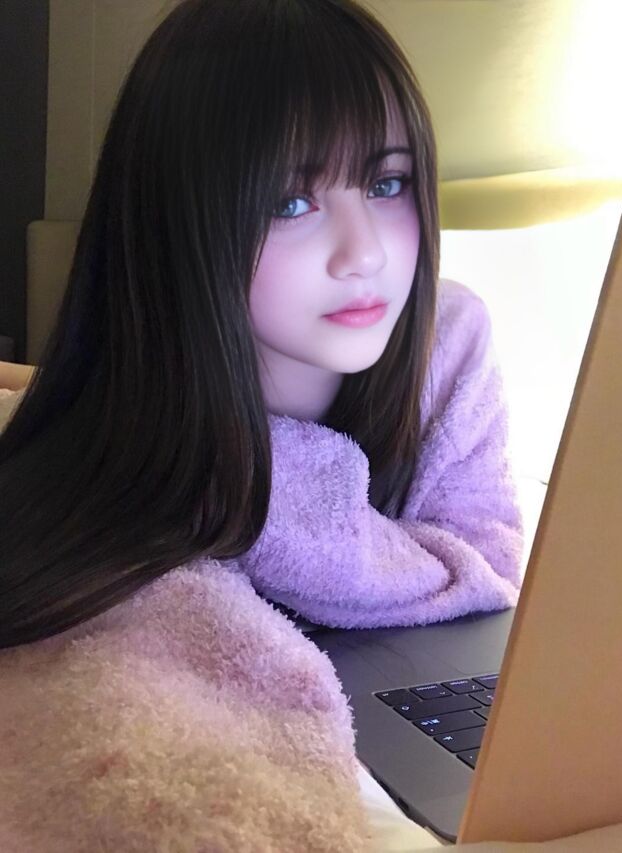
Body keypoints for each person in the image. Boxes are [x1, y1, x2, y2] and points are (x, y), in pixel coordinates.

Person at [0, 0, 525, 848]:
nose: (364, 252)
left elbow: (492, 572)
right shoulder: (139, 438)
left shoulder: (447, 341)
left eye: (386, 184)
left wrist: (253, 500)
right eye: (291, 201)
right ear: (184, 220)